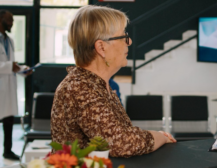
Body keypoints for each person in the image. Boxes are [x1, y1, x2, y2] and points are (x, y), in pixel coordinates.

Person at [51, 5, 176, 158]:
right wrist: (161, 136)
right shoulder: (79, 87)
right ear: (101, 47)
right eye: (123, 36)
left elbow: (121, 133)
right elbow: (122, 143)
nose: (129, 41)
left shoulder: (96, 84)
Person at [0, 10, 32, 160]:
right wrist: (9, 66)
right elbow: (7, 65)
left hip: (8, 86)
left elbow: (11, 64)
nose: (12, 23)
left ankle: (8, 150)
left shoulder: (9, 40)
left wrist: (22, 70)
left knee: (8, 120)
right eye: (9, 20)